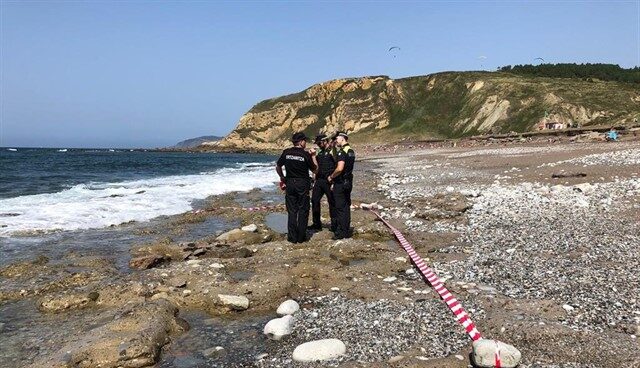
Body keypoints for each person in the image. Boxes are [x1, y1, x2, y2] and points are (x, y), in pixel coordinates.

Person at [276, 132, 317, 243]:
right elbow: (315, 170)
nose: (306, 143)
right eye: (305, 141)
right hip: (302, 183)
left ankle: (292, 237)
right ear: (301, 142)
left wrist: (282, 177)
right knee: (303, 210)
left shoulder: (286, 152)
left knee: (292, 211)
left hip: (290, 183)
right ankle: (301, 237)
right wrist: (313, 156)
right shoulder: (305, 155)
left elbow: (278, 166)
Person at [327, 131, 355, 240]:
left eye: (336, 139)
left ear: (342, 138)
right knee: (346, 206)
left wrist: (331, 176)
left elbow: (339, 168)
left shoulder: (342, 152)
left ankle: (341, 232)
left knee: (340, 207)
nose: (335, 141)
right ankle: (346, 229)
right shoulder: (351, 151)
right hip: (348, 181)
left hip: (341, 182)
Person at [310, 134, 336, 231]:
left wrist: (334, 180)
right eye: (317, 143)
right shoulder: (319, 153)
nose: (318, 145)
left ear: (325, 141)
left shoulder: (332, 151)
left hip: (329, 180)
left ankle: (335, 224)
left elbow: (338, 165)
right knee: (314, 201)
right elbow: (315, 167)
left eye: (319, 143)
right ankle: (316, 224)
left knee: (332, 202)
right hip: (319, 180)